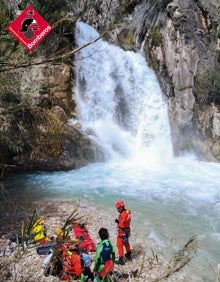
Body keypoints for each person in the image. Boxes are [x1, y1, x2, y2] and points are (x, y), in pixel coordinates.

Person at [114, 200, 132, 265]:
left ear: (121, 207)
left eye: (118, 208)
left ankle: (121, 259)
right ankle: (129, 254)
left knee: (119, 244)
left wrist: (117, 222)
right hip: (127, 230)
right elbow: (126, 220)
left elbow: (121, 225)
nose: (118, 210)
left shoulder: (122, 215)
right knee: (126, 242)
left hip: (122, 231)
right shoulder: (128, 211)